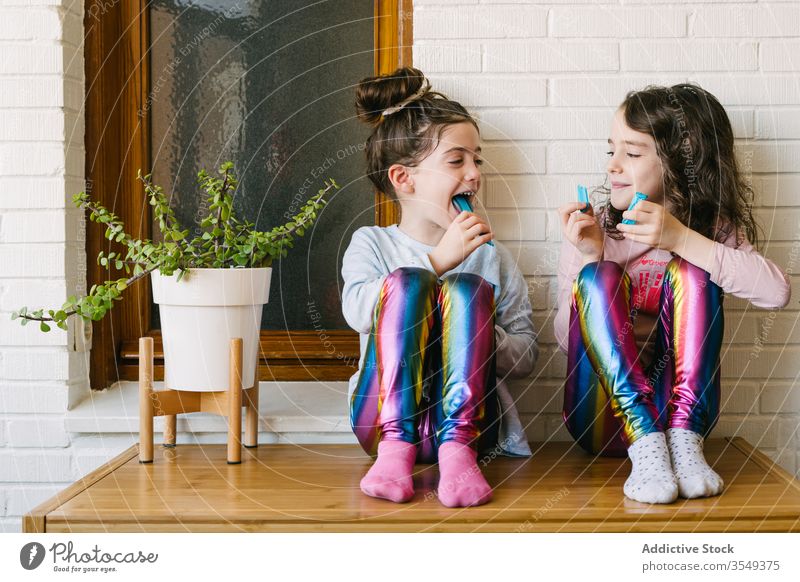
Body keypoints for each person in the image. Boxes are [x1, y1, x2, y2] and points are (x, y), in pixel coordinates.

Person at [555, 84, 791, 504]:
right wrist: (590, 255)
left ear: (680, 159)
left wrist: (681, 239)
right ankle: (645, 438)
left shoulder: (707, 229)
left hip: (682, 427)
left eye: (632, 152)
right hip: (603, 417)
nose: (613, 166)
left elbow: (776, 293)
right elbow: (564, 341)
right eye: (612, 150)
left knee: (692, 270)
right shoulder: (600, 227)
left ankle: (681, 437)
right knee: (599, 277)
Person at [342, 67, 537, 508]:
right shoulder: (370, 243)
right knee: (410, 281)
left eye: (477, 160)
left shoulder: (493, 256)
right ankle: (396, 447)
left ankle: (456, 449)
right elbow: (357, 310)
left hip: (475, 430)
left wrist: (477, 324)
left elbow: (526, 357)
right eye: (456, 160)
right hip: (379, 423)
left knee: (466, 289)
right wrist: (436, 262)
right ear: (403, 178)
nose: (474, 174)